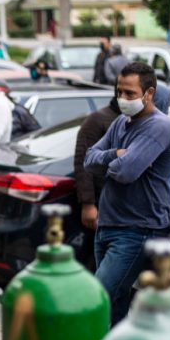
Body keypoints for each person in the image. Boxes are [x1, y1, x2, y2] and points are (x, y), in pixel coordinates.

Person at [84, 62, 170, 325]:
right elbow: (89, 161)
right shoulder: (119, 123)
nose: (122, 98)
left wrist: (120, 163)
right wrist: (116, 155)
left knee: (97, 297)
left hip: (138, 230)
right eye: (119, 92)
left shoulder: (159, 126)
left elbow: (126, 173)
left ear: (148, 94)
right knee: (116, 303)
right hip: (109, 224)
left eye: (130, 93)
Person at [73, 93, 122, 271]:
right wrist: (88, 203)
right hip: (101, 204)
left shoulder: (137, 121)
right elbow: (83, 162)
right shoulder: (98, 119)